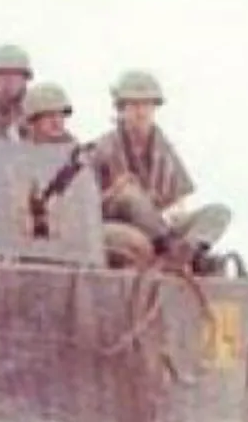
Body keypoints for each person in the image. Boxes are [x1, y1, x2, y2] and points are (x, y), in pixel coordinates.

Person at [90, 69, 232, 271]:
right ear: (121, 108)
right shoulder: (102, 149)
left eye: (146, 105)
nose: (141, 112)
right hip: (118, 226)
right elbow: (85, 206)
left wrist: (175, 216)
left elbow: (178, 199)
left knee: (219, 212)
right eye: (134, 105)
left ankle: (187, 252)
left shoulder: (162, 149)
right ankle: (170, 250)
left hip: (162, 224)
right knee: (130, 197)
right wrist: (114, 192)